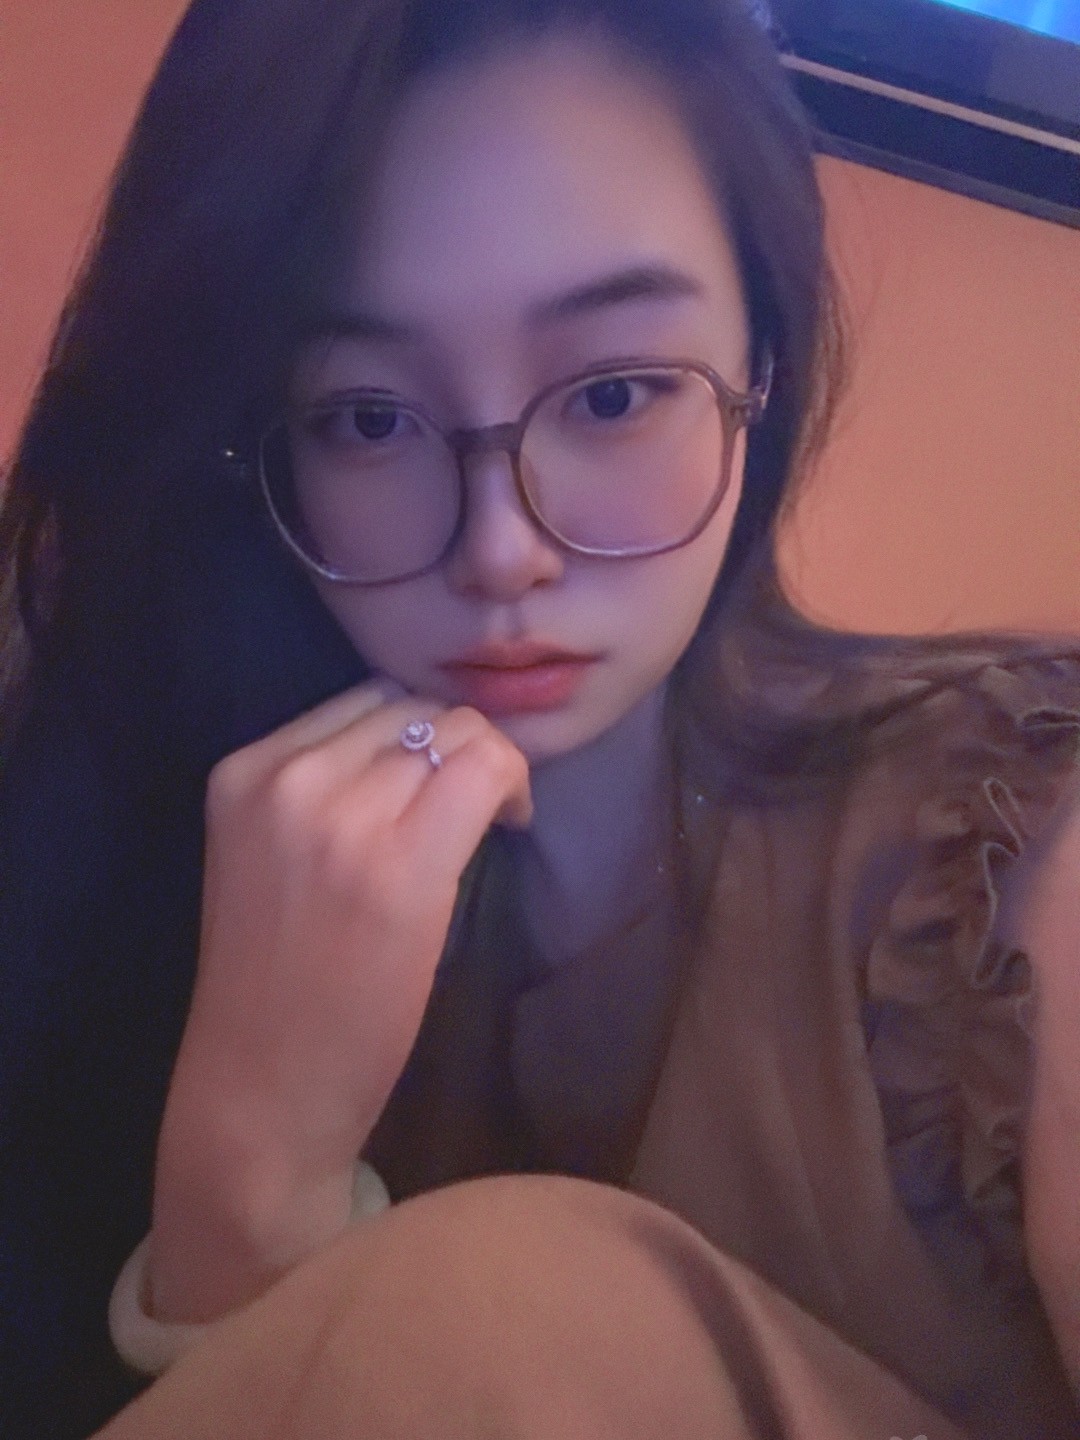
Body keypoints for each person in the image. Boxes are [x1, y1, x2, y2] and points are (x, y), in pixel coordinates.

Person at [0, 0, 1077, 1435]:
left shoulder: (1008, 859)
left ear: (758, 369)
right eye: (368, 419)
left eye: (615, 392)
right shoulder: (140, 856)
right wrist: (247, 1183)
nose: (502, 549)